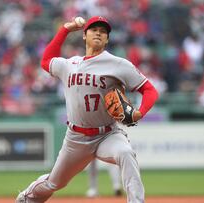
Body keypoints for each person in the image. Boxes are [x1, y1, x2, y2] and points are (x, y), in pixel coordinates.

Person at [16, 16, 159, 203]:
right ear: (84, 35)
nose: (99, 33)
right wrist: (65, 29)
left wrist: (140, 111)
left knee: (125, 153)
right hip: (76, 138)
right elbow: (46, 60)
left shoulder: (118, 64)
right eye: (94, 29)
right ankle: (27, 198)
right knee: (54, 183)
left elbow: (149, 90)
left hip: (108, 134)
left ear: (107, 39)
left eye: (103, 31)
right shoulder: (70, 64)